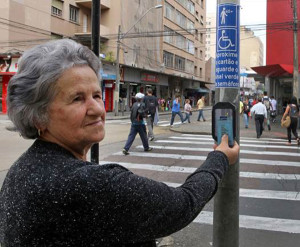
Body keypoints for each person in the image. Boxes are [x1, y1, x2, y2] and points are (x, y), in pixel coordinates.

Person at [0, 39, 240, 247]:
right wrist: (219, 158)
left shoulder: (21, 171)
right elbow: (183, 205)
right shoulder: (89, 184)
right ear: (37, 115)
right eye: (77, 99)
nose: (97, 109)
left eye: (96, 95)